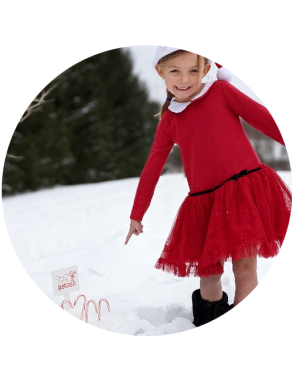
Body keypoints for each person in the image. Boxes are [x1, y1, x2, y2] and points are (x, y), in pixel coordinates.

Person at [124, 46, 292, 327]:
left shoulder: (221, 93)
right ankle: (209, 322)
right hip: (205, 205)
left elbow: (266, 120)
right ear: (161, 72)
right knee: (209, 274)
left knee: (245, 265)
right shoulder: (169, 121)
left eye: (192, 70)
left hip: (243, 194)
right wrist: (136, 214)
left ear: (204, 70)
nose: (184, 78)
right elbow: (152, 169)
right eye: (175, 71)